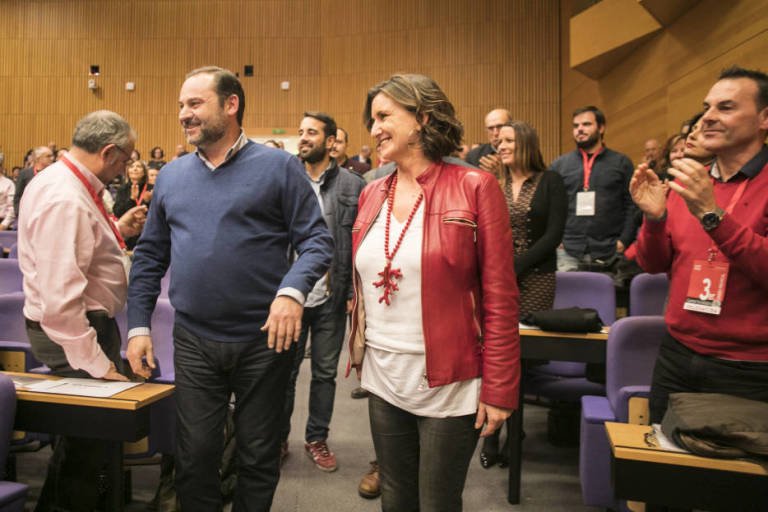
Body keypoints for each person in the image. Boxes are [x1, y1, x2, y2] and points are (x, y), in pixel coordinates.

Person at [125, 66, 333, 512]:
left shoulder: (279, 168)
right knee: (195, 454)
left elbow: (317, 241)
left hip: (265, 341)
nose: (184, 114)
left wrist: (291, 292)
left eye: (195, 104)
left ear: (231, 105)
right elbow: (148, 258)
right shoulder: (173, 177)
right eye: (181, 105)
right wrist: (138, 325)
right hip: (196, 340)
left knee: (258, 454)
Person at [349, 73, 520, 512]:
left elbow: (500, 296)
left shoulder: (475, 187)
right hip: (384, 375)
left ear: (422, 118)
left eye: (385, 116)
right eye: (372, 119)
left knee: (438, 503)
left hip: (449, 381)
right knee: (396, 500)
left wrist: (499, 388)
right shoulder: (371, 194)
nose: (374, 129)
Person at [18, 110, 146, 511]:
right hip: (74, 331)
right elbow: (60, 301)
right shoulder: (65, 197)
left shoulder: (68, 182)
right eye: (126, 158)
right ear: (109, 152)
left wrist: (118, 232)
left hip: (79, 324)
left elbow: (80, 252)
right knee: (92, 445)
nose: (126, 168)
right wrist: (95, 362)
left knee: (86, 442)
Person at [630, 66, 768, 436]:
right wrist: (655, 219)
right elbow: (653, 264)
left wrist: (712, 215)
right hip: (677, 354)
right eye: (706, 107)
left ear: (764, 119)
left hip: (750, 369)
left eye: (725, 108)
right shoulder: (691, 182)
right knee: (665, 480)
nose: (707, 118)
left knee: (735, 489)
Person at [478, 121, 566, 468]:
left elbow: (554, 234)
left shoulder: (551, 181)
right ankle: (492, 435)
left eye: (508, 140)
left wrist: (512, 267)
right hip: (497, 280)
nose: (500, 145)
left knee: (522, 360)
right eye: (499, 141)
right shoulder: (493, 182)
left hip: (537, 280)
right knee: (496, 354)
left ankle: (515, 435)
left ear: (526, 143)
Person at [280, 112, 365, 471]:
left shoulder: (353, 186)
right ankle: (278, 438)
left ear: (331, 142)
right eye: (300, 132)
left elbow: (359, 243)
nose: (303, 138)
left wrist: (353, 293)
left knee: (325, 373)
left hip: (332, 294)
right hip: (291, 295)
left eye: (311, 132)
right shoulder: (285, 178)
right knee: (283, 373)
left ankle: (317, 438)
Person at [550, 106, 636, 274]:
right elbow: (551, 207)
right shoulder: (559, 165)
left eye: (586, 124)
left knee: (606, 300)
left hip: (609, 251)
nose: (580, 129)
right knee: (567, 300)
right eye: (576, 126)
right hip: (568, 250)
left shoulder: (621, 163)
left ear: (601, 127)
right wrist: (557, 239)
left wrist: (624, 241)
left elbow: (631, 206)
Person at [113, 160, 152, 249]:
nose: (135, 169)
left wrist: (147, 202)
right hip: (128, 234)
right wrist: (131, 199)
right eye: (132, 167)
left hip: (147, 232)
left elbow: (157, 213)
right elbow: (117, 212)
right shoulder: (123, 189)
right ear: (128, 172)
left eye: (138, 167)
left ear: (144, 172)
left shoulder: (151, 189)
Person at [464, 108, 512, 173]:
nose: (496, 133)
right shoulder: (473, 155)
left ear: (511, 126)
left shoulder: (522, 153)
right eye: (491, 128)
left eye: (500, 126)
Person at [14, 145, 55, 218]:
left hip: (49, 215)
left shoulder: (55, 174)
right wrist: (19, 214)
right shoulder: (24, 173)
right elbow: (18, 196)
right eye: (48, 156)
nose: (52, 158)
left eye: (52, 156)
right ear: (38, 159)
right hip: (28, 215)